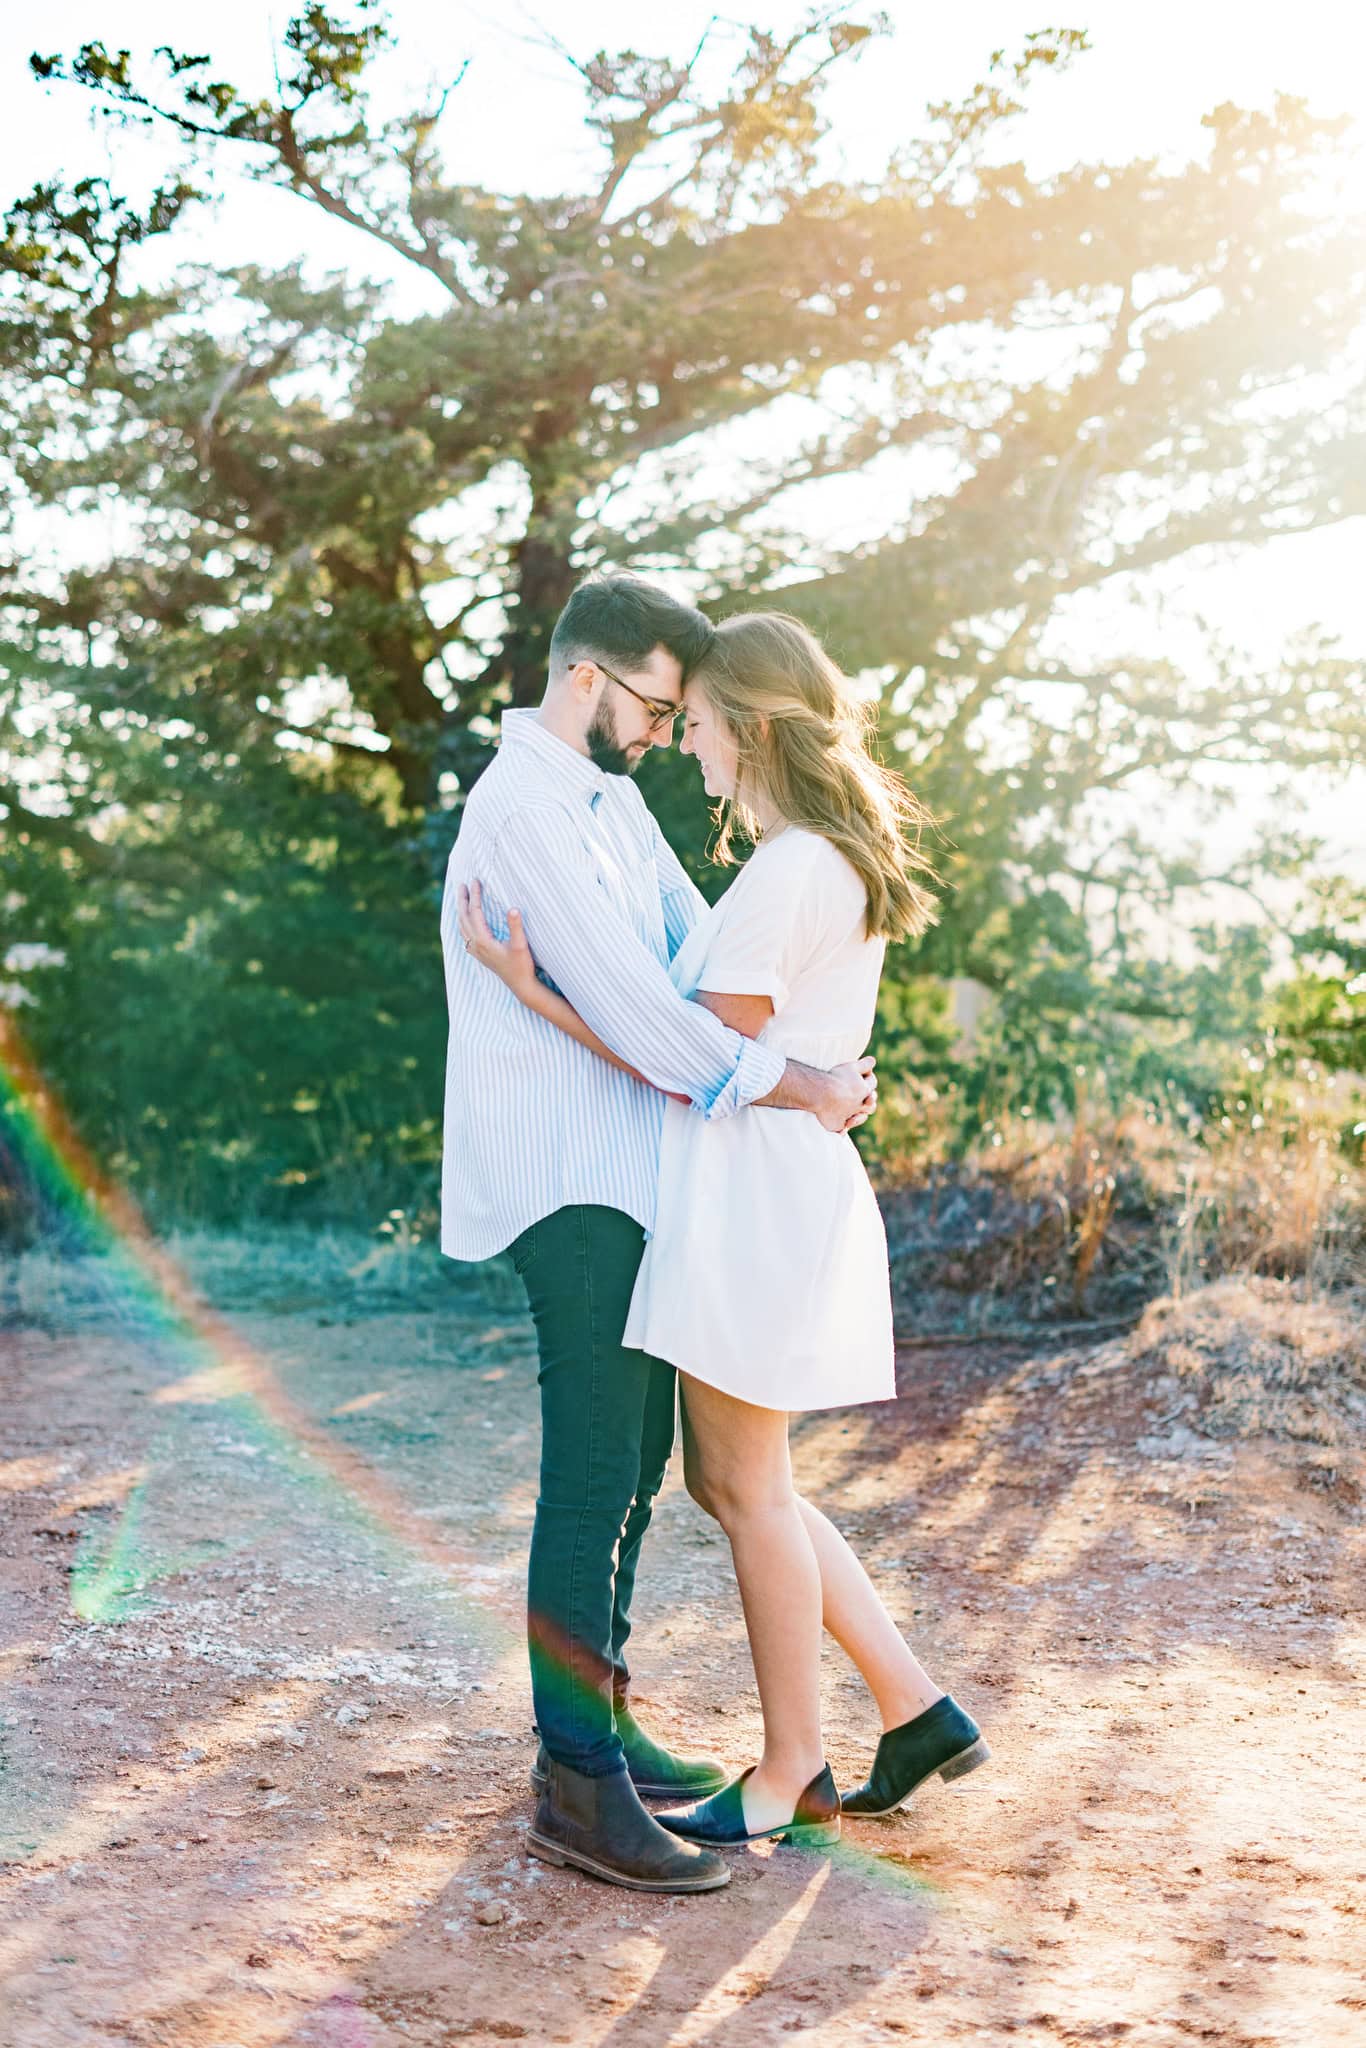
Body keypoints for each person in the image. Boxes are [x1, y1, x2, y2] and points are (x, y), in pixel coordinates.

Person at [458, 610, 989, 1855]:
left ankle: (789, 1767)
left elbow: (681, 1046)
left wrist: (537, 991)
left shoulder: (784, 865)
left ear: (746, 725)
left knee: (736, 1485)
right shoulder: (802, 857)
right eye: (663, 711)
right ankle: (911, 1708)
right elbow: (707, 1031)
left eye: (690, 720)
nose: (674, 740)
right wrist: (792, 1075)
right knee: (737, 1479)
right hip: (745, 1182)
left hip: (747, 1189)